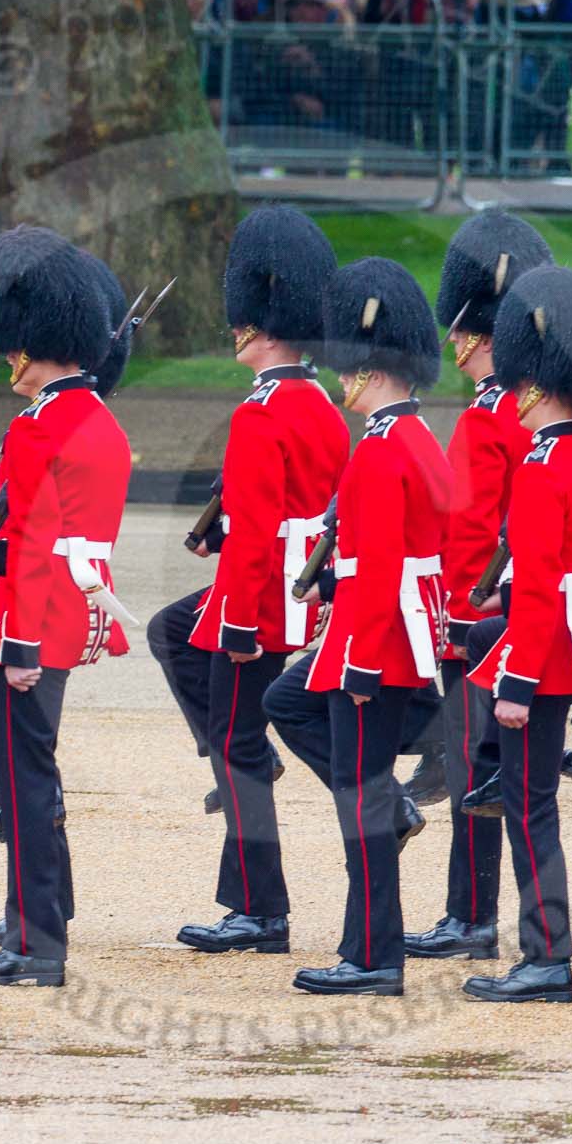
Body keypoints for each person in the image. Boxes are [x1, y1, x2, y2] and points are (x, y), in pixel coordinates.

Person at [271, 257, 454, 996]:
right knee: (296, 717)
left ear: (364, 366)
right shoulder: (416, 439)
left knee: (362, 799)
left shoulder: (381, 449)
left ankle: (373, 956)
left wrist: (358, 663)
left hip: (371, 644)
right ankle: (363, 942)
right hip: (389, 636)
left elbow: (377, 568)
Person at [0, 229, 134, 988]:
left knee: (26, 782)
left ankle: (35, 942)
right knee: (29, 773)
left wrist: (21, 643)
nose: (8, 362)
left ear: (33, 345)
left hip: (32, 614)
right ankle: (41, 910)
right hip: (71, 608)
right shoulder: (98, 419)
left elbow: (30, 544)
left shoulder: (38, 426)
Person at [169, 207, 349, 956]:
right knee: (175, 639)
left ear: (258, 326)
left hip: (262, 601)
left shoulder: (260, 413)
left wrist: (239, 623)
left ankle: (257, 909)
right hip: (303, 592)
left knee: (239, 749)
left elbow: (256, 534)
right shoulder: (326, 408)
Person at [461, 266, 572, 1003]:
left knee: (530, 816)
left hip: (544, 657)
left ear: (534, 384)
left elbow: (538, 587)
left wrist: (517, 684)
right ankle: (544, 952)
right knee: (533, 806)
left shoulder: (539, 467)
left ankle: (546, 958)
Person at [406, 209, 553, 963]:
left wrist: (454, 616)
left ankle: (469, 916)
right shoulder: (533, 412)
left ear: (478, 334)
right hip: (521, 610)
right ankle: (476, 913)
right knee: (489, 774)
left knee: (474, 770)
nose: (452, 344)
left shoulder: (487, 418)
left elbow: (470, 534)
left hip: (482, 613)